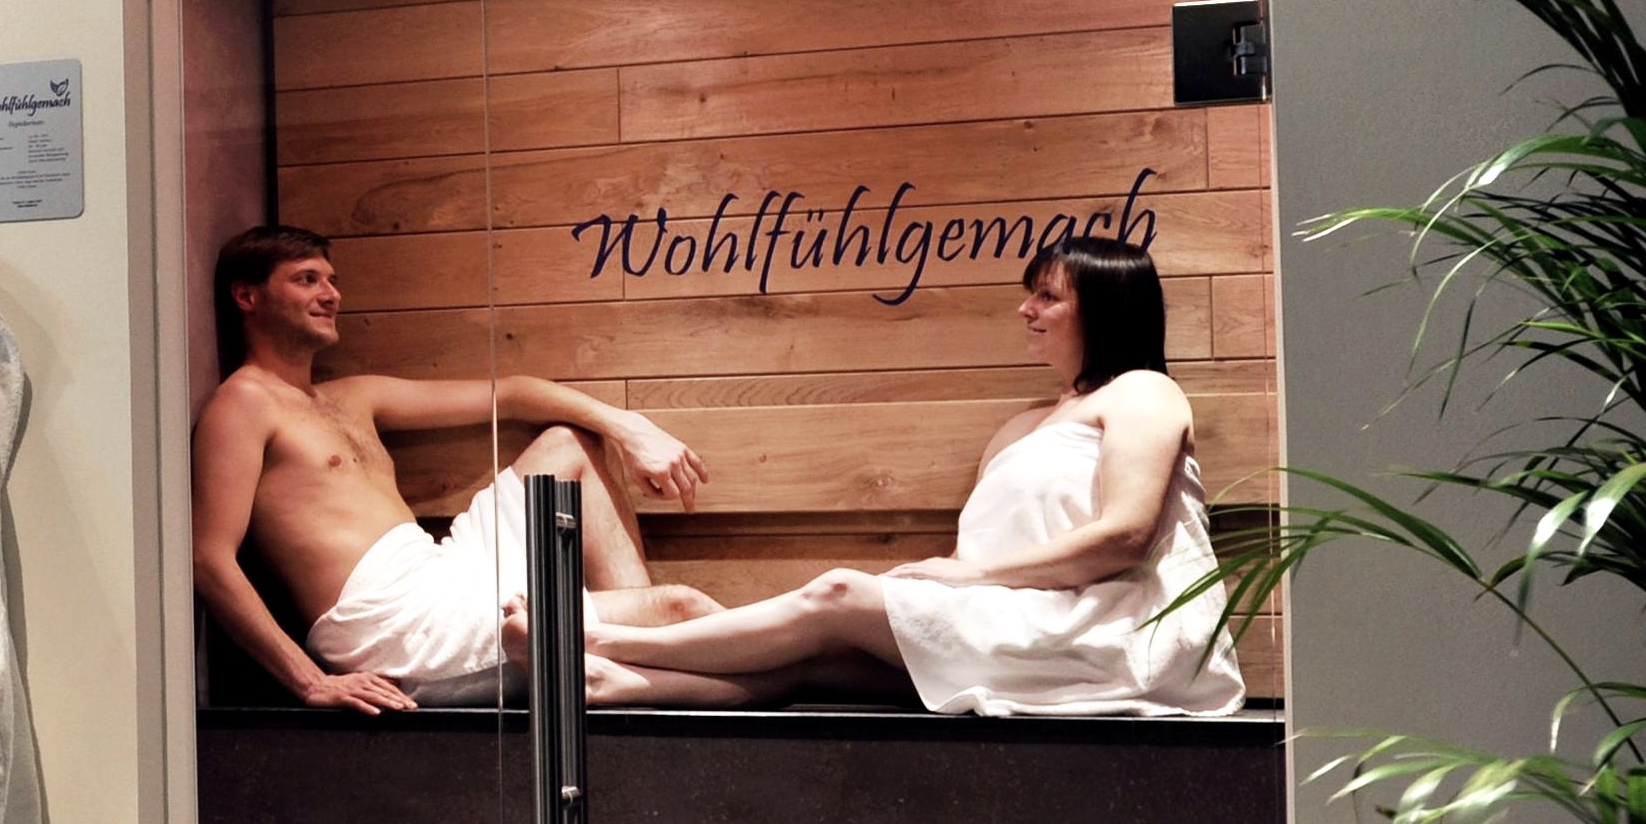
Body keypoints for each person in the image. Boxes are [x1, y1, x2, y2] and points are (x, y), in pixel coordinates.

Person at [581, 233, 1248, 715]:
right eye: (1029, 294)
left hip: (1107, 632)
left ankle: (607, 642)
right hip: (1014, 629)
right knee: (811, 664)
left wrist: (962, 578)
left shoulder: (1143, 392)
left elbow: (1125, 536)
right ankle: (607, 683)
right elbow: (977, 555)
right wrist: (946, 578)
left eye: (1047, 296)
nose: (1025, 309)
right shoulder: (1020, 427)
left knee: (837, 593)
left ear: (1104, 310)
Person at [192, 223, 718, 709]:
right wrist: (311, 682)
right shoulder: (242, 403)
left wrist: (630, 428)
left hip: (440, 570)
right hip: (396, 621)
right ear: (247, 296)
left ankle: (636, 644)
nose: (331, 295)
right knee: (680, 608)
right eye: (307, 279)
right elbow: (209, 558)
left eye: (332, 280)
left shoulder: (353, 397)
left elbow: (511, 395)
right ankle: (657, 639)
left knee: (570, 442)